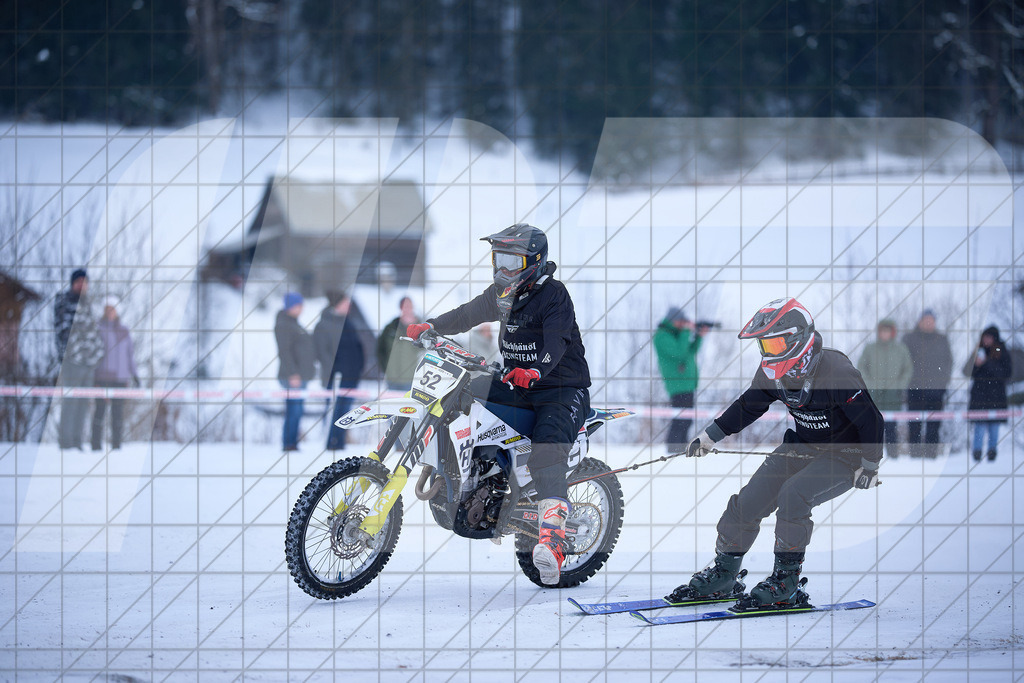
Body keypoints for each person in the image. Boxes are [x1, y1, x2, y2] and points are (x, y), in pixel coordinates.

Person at [406, 224, 590, 586]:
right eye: (498, 260)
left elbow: (556, 341)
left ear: (534, 262)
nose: (503, 270)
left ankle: (551, 542)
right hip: (514, 380)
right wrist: (431, 326)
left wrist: (535, 370)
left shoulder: (554, 295)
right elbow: (466, 314)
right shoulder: (503, 293)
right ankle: (464, 475)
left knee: (547, 451)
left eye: (512, 262)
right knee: (461, 393)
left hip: (560, 388)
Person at [673, 297, 883, 609]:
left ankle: (786, 581)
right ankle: (725, 574)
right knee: (749, 499)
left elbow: (872, 421)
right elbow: (749, 406)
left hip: (846, 457)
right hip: (802, 447)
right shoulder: (774, 374)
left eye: (775, 344)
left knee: (794, 495)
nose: (769, 353)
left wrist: (869, 465)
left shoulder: (836, 372)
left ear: (799, 339)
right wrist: (710, 436)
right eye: (764, 347)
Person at [54, 269, 105, 449]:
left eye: (85, 282)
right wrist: (76, 353)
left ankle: (76, 441)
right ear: (72, 283)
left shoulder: (89, 304)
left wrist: (97, 354)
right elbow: (65, 333)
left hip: (89, 364)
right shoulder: (64, 301)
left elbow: (94, 333)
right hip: (72, 363)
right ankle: (66, 442)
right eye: (79, 282)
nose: (82, 285)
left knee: (83, 403)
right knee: (71, 401)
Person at [313, 290, 365, 450]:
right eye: (345, 302)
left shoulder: (347, 322)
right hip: (336, 377)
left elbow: (356, 347)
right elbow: (321, 351)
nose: (348, 305)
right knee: (335, 411)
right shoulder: (324, 324)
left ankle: (340, 442)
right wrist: (336, 370)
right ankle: (332, 443)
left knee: (346, 413)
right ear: (337, 304)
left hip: (352, 376)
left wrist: (358, 367)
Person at [653, 307, 709, 452]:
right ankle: (673, 449)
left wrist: (699, 337)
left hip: (687, 383)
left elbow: (689, 352)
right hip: (677, 384)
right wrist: (686, 331)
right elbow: (678, 353)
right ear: (673, 320)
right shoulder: (662, 336)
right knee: (680, 420)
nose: (683, 325)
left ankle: (682, 449)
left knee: (687, 419)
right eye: (681, 322)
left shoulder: (676, 334)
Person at [857, 319, 913, 459]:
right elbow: (861, 367)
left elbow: (908, 369)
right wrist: (868, 384)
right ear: (879, 332)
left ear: (892, 332)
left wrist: (899, 385)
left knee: (891, 427)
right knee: (872, 426)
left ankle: (893, 456)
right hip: (873, 394)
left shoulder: (901, 349)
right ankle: (871, 457)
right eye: (883, 331)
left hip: (893, 395)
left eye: (888, 331)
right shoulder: (870, 348)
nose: (885, 334)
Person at [902, 309, 953, 458]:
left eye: (932, 320)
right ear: (920, 321)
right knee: (914, 424)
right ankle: (915, 455)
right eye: (926, 319)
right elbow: (902, 362)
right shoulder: (909, 339)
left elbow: (949, 362)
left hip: (937, 389)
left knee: (934, 425)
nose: (929, 322)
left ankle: (931, 456)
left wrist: (944, 381)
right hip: (915, 389)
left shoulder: (942, 339)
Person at [91, 297, 140, 450]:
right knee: (99, 413)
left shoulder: (124, 331)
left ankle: (117, 446)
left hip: (121, 379)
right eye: (108, 308)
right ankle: (96, 446)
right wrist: (94, 378)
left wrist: (135, 375)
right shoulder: (98, 329)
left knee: (117, 415)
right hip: (103, 377)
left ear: (117, 311)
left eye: (113, 309)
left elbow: (129, 355)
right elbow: (93, 354)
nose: (111, 312)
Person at [963, 326, 1013, 462]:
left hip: (996, 396)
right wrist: (976, 364)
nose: (986, 340)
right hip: (979, 397)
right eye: (985, 337)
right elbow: (966, 371)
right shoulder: (978, 350)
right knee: (979, 424)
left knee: (994, 425)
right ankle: (977, 452)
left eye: (989, 337)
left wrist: (986, 363)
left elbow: (1006, 373)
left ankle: (992, 452)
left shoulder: (1000, 350)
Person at [274, 292, 316, 452]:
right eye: (299, 305)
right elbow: (284, 352)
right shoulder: (283, 324)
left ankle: (292, 442)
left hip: (300, 376)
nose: (301, 309)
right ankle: (288, 443)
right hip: (292, 376)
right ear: (290, 306)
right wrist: (293, 373)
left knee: (297, 410)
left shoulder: (294, 323)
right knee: (294, 410)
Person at [376, 296, 422, 391]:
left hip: (411, 378)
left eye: (409, 306)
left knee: (407, 405)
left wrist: (411, 326)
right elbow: (379, 349)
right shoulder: (390, 327)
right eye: (405, 306)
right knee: (392, 405)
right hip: (392, 378)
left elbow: (425, 348)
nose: (407, 308)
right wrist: (386, 368)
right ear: (400, 308)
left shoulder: (421, 327)